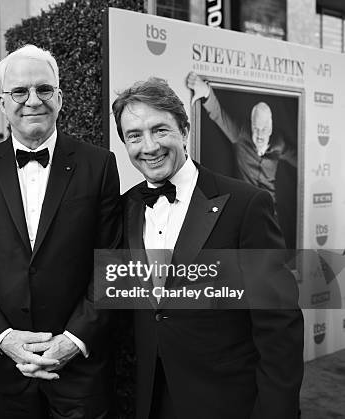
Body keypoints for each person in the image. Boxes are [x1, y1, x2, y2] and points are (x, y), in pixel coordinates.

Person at [112, 78, 304, 419]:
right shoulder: (124, 208)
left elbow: (279, 326)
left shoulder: (246, 205)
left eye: (160, 130)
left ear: (184, 130)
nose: (149, 146)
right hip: (150, 398)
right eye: (134, 136)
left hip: (226, 401)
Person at [0, 44, 121, 418]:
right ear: (2, 103)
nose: (33, 100)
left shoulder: (99, 165)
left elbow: (111, 263)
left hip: (80, 368)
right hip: (7, 369)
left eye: (44, 89)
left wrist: (73, 340)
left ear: (60, 98)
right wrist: (5, 339)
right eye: (19, 91)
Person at [186, 71, 296, 204]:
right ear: (251, 126)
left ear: (270, 130)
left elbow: (297, 158)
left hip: (269, 207)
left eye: (264, 129)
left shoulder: (279, 143)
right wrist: (206, 91)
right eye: (256, 128)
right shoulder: (241, 135)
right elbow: (219, 115)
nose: (260, 134)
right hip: (245, 205)